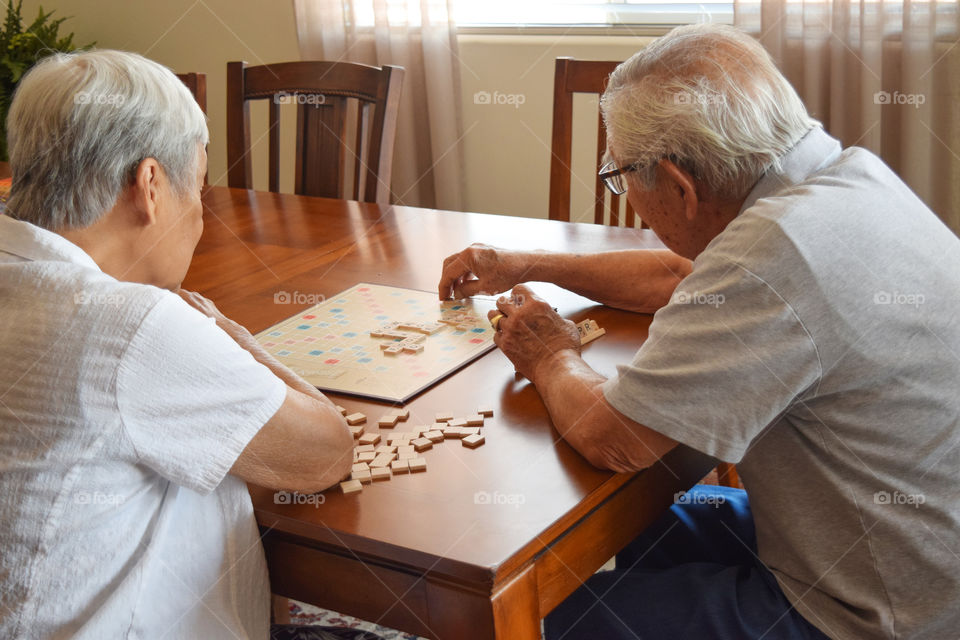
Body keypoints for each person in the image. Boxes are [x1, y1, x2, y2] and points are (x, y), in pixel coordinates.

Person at [439, 23, 960, 640]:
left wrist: (551, 354)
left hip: (877, 615)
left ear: (680, 185)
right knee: (642, 523)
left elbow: (615, 441)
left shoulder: (769, 258)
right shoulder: (844, 178)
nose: (623, 191)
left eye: (620, 176)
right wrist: (528, 265)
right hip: (908, 546)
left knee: (531, 619)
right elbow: (676, 277)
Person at [0, 50, 381, 640]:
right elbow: (326, 454)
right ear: (149, 185)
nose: (201, 217)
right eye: (198, 191)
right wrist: (224, 332)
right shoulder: (128, 324)